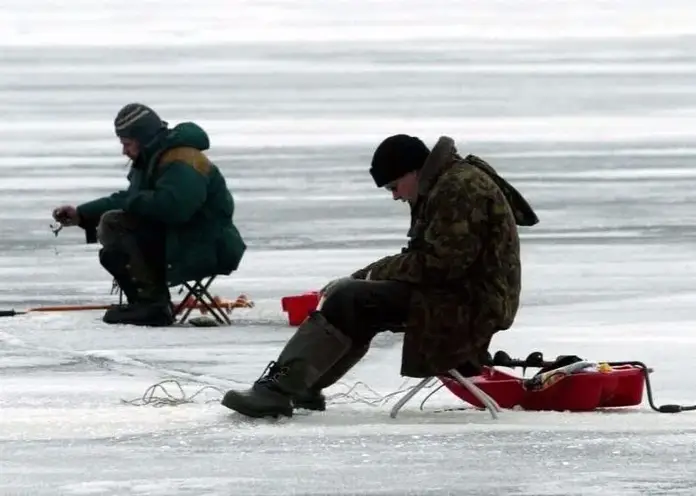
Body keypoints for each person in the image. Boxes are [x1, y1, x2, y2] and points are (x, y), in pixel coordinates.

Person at [221, 134, 538, 418]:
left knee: (350, 298)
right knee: (356, 299)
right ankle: (302, 386)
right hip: (461, 294)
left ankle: (278, 391)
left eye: (393, 187)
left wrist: (367, 276)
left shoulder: (458, 188)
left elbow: (439, 264)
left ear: (412, 172)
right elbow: (433, 260)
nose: (395, 196)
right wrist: (366, 277)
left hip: (469, 304)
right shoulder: (444, 183)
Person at [52, 103, 247, 326]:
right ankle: (146, 303)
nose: (124, 151)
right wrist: (82, 214)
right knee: (115, 225)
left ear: (142, 139)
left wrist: (129, 202)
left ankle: (152, 304)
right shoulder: (152, 159)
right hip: (182, 239)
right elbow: (132, 200)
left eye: (127, 143)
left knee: (115, 223)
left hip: (206, 246)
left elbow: (175, 208)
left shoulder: (182, 161)